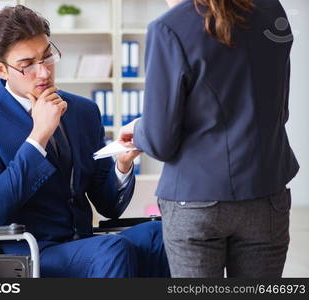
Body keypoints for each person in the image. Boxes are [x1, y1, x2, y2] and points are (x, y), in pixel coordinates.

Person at [0, 5, 169, 278]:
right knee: (111, 250)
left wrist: (123, 164)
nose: (43, 73)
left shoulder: (82, 111)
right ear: (1, 70)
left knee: (160, 233)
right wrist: (38, 135)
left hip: (81, 244)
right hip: (21, 251)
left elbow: (108, 207)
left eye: (47, 57)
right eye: (27, 65)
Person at [119, 0, 299, 277]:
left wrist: (139, 130)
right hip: (266, 195)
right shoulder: (272, 10)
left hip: (196, 201)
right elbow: (280, 112)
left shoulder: (169, 28)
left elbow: (160, 142)